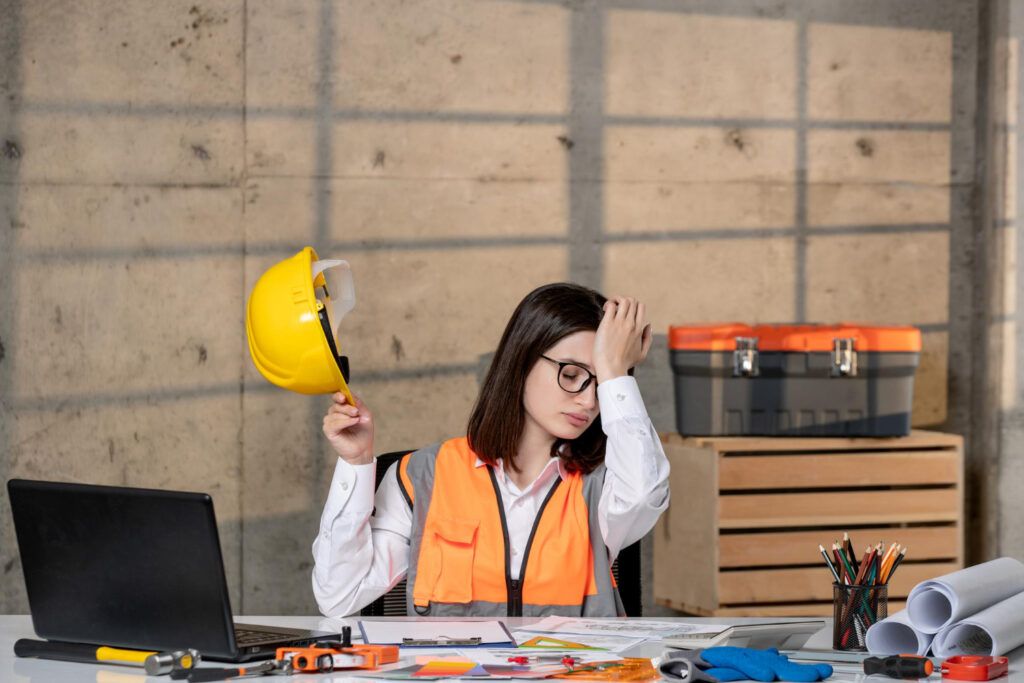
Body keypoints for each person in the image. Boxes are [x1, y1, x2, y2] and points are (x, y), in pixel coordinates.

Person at [312, 283, 670, 617]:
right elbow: (340, 596)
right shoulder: (424, 477)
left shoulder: (605, 485)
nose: (590, 400)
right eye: (572, 374)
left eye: (600, 382)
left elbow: (644, 496)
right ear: (521, 361)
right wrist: (357, 464)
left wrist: (616, 373)